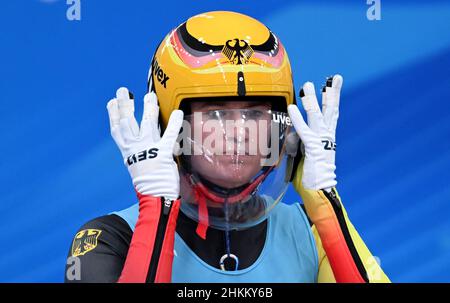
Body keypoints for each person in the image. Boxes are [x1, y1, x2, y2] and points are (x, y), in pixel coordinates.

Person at [65, 11, 390, 283]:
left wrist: (326, 205)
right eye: (216, 112)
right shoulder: (108, 238)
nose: (239, 133)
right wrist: (157, 211)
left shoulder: (312, 230)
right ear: (169, 123)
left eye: (254, 113)